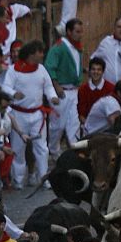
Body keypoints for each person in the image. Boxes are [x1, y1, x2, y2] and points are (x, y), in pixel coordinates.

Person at [3, 40, 58, 189]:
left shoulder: (41, 69)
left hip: (37, 115)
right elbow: (5, 87)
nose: (42, 55)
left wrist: (52, 97)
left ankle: (43, 178)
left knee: (41, 148)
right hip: (19, 115)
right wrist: (14, 94)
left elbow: (48, 86)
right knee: (18, 148)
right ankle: (18, 180)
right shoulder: (13, 70)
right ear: (31, 54)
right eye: (40, 52)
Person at [44, 17, 84, 159]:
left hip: (74, 90)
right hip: (62, 91)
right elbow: (49, 67)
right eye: (77, 31)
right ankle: (54, 151)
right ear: (69, 31)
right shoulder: (59, 47)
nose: (80, 34)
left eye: (81, 31)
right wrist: (56, 85)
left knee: (74, 123)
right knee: (58, 125)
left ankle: (75, 150)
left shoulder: (77, 47)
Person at [77, 56, 115, 126]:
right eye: (93, 69)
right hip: (88, 127)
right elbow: (81, 115)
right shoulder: (83, 89)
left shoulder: (111, 88)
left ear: (103, 71)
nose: (96, 72)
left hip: (107, 127)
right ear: (89, 71)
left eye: (99, 70)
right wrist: (89, 127)